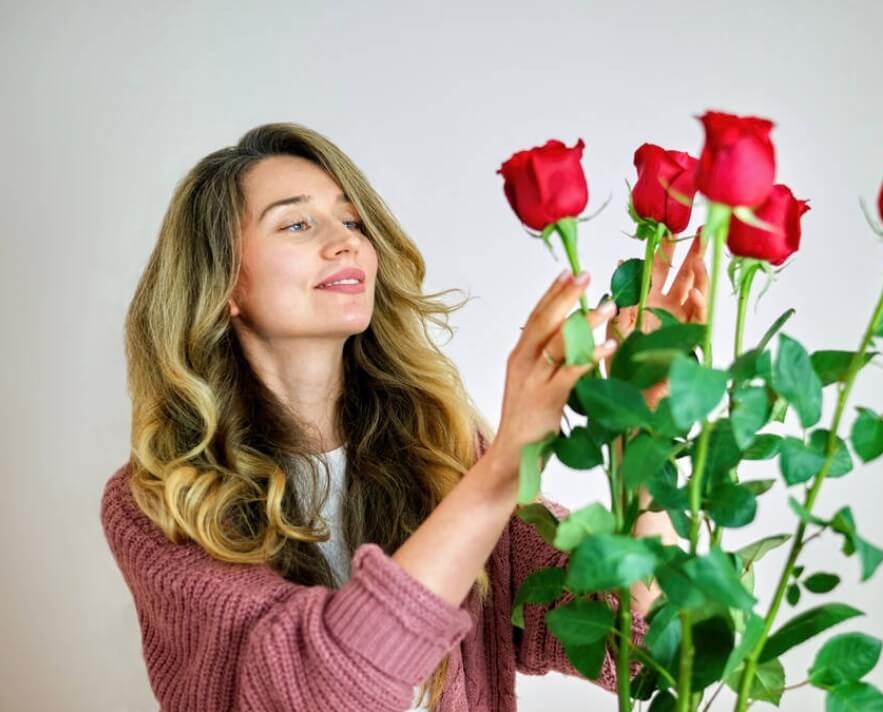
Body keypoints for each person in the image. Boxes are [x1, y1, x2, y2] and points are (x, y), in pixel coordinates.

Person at [100, 122, 704, 711]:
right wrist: (501, 469)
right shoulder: (160, 502)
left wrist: (640, 442)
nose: (346, 241)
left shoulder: (440, 450)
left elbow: (644, 644)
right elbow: (312, 693)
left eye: (352, 220)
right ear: (225, 281)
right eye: (296, 223)